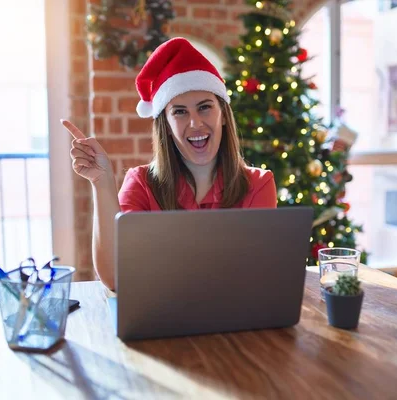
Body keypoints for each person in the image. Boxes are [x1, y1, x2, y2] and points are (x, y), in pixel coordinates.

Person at [61, 37, 277, 290]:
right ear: (166, 124)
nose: (195, 123)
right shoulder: (141, 184)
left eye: (205, 107)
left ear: (224, 116)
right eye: (180, 111)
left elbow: (254, 276)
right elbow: (116, 278)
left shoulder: (258, 185)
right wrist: (102, 182)